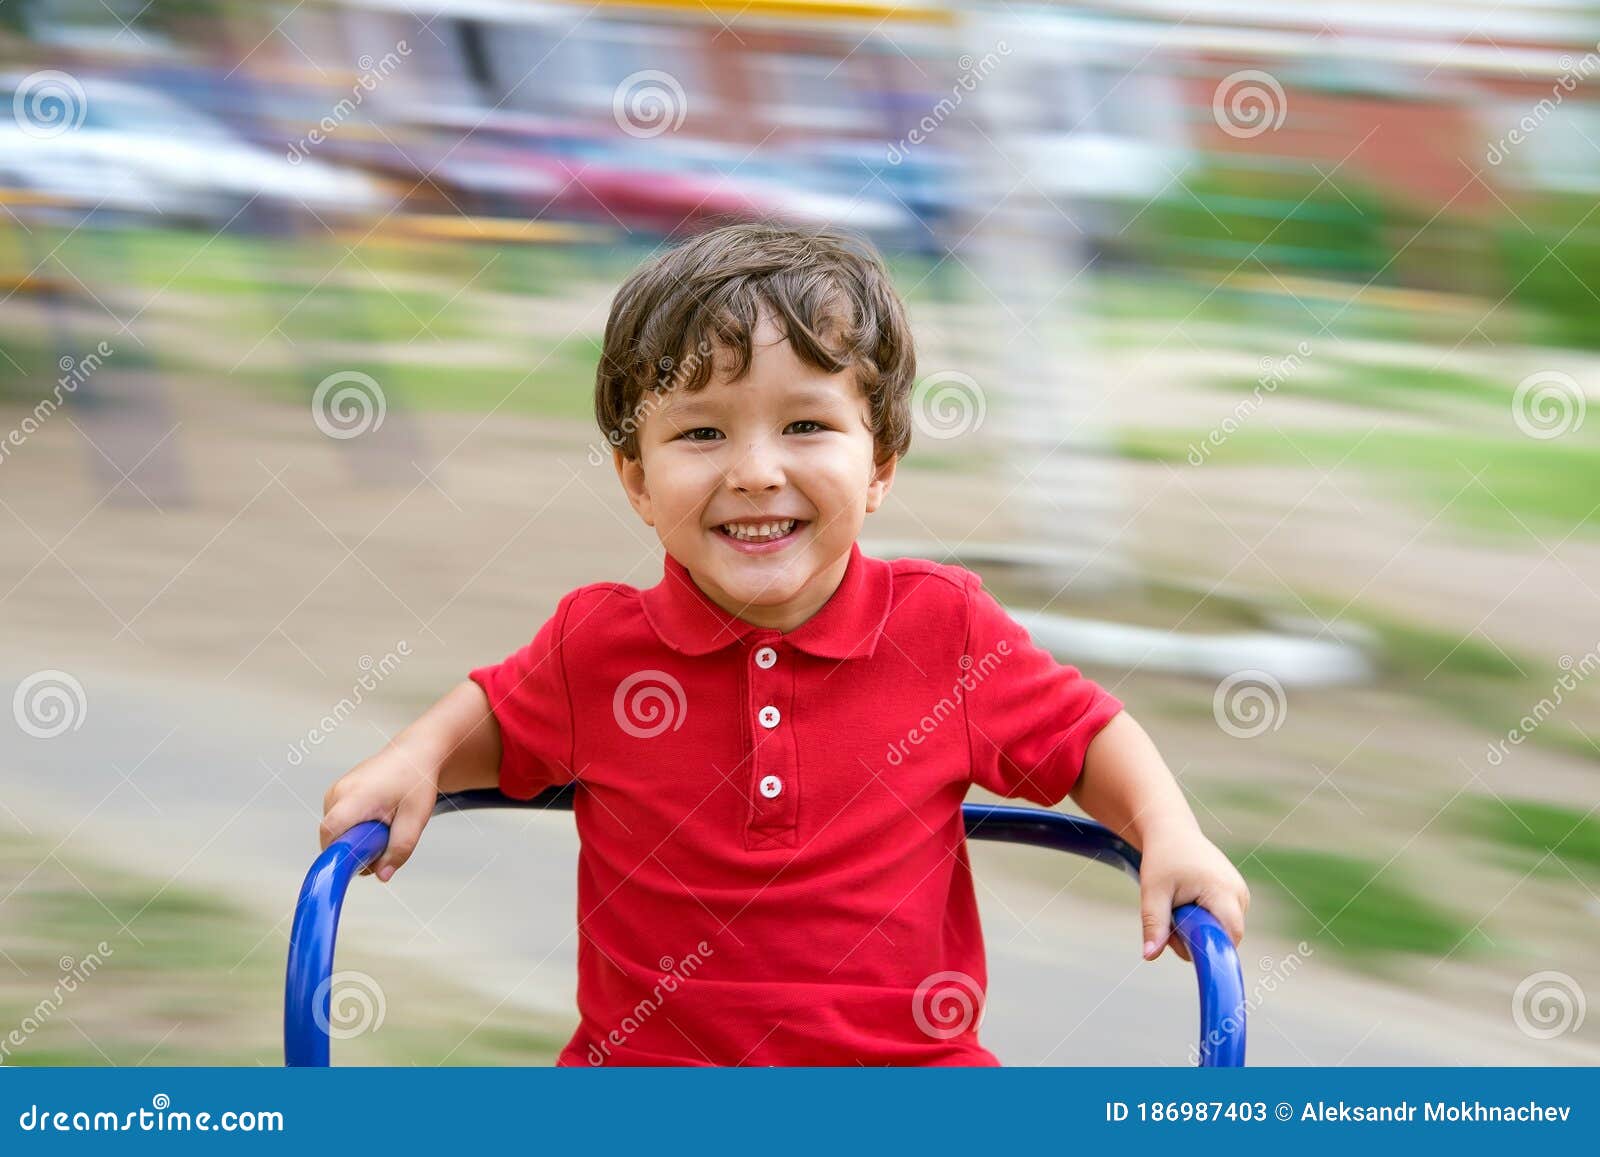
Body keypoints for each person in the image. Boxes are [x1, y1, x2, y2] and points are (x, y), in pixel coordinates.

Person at [318, 222, 1250, 1066]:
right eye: (701, 432)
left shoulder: (943, 628)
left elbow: (1086, 736)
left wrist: (1168, 829)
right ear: (637, 481)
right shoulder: (599, 645)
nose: (756, 471)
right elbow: (498, 719)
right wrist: (417, 756)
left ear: (879, 463)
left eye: (806, 425)